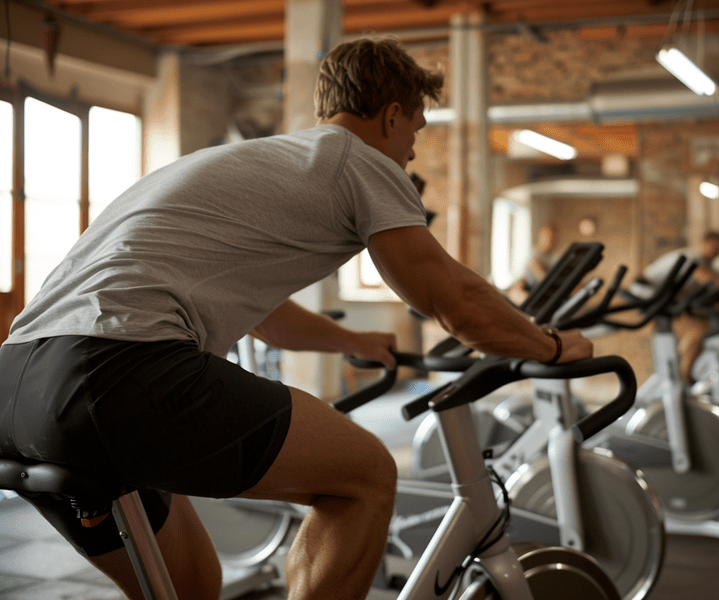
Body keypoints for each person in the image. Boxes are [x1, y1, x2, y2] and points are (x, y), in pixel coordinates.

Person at [0, 38, 593, 600]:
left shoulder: (256, 163)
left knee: (190, 587)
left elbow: (265, 315)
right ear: (391, 116)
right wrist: (549, 346)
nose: (412, 147)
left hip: (19, 388)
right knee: (364, 476)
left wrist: (352, 339)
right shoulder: (361, 161)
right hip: (116, 369)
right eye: (415, 126)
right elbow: (450, 299)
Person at [635, 231, 719, 383]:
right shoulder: (693, 257)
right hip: (647, 290)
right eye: (714, 247)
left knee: (702, 326)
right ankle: (679, 370)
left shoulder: (705, 263)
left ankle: (681, 367)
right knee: (698, 327)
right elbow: (709, 279)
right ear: (705, 243)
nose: (716, 252)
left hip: (668, 296)